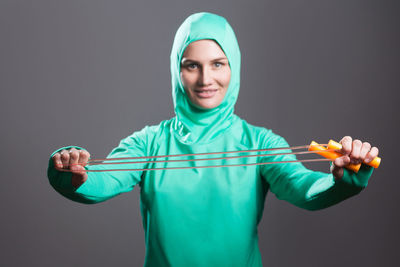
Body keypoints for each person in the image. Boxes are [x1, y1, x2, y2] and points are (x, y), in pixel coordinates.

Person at [47, 12, 379, 267]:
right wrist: (69, 175)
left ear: (233, 67)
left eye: (218, 64)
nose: (206, 79)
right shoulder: (149, 143)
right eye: (192, 66)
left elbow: (303, 187)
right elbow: (103, 179)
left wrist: (342, 183)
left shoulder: (260, 142)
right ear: (177, 71)